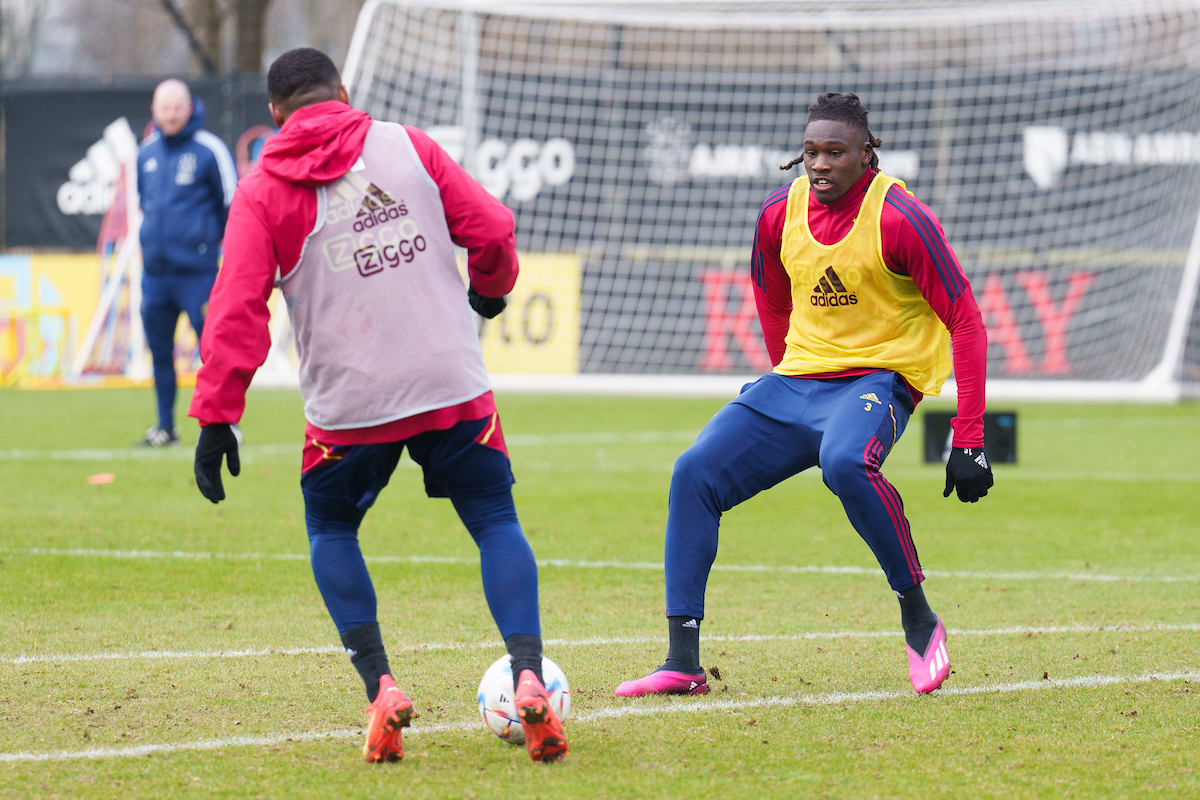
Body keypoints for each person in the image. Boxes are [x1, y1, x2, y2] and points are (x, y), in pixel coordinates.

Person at [187, 48, 567, 764]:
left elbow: (236, 307)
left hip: (350, 408)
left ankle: (382, 687)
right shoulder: (406, 145)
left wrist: (216, 416)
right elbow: (492, 229)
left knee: (332, 525)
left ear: (275, 114)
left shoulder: (263, 187)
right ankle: (527, 675)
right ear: (345, 92)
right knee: (494, 522)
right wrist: (490, 286)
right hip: (451, 386)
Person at [615, 92, 993, 699]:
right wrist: (780, 377)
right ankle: (682, 661)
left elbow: (966, 320)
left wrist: (969, 438)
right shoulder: (776, 214)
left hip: (878, 381)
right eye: (811, 150)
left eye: (835, 152)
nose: (819, 163)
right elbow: (770, 296)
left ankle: (919, 620)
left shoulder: (899, 216)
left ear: (867, 154)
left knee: (844, 463)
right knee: (693, 473)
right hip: (797, 382)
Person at [136, 79, 237, 446]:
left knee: (214, 351)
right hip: (156, 276)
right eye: (165, 108)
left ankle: (224, 425)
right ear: (155, 110)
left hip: (198, 274)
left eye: (178, 107)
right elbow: (144, 205)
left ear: (190, 107)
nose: (172, 114)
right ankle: (165, 427)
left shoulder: (210, 150)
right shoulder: (145, 153)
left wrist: (216, 249)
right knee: (160, 353)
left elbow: (233, 205)